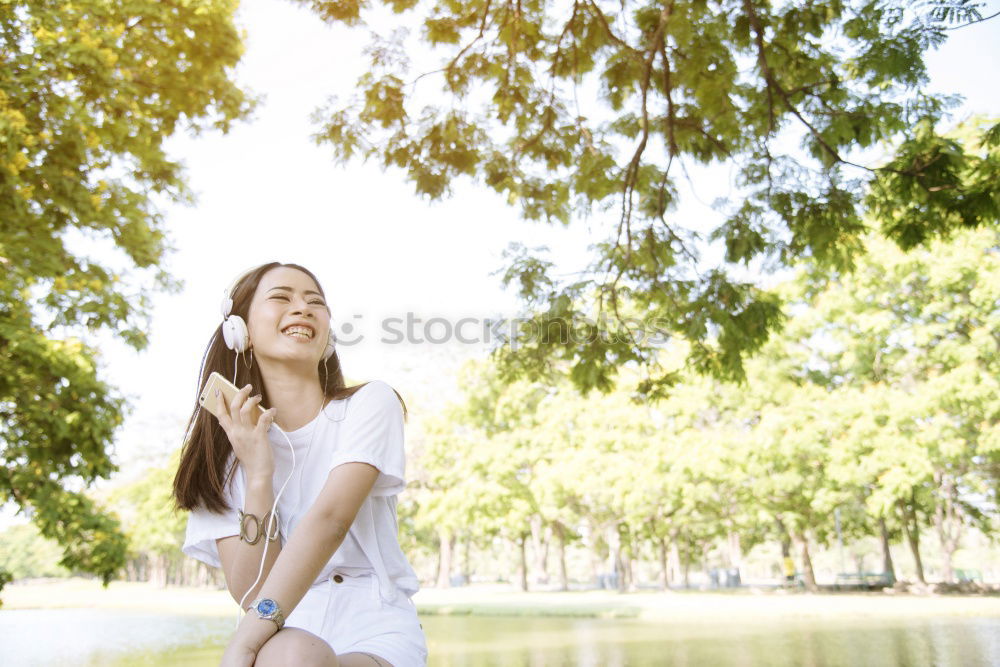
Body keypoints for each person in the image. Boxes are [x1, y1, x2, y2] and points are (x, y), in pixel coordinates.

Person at [172, 262, 427, 667]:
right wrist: (259, 475)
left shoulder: (371, 404)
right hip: (282, 632)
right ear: (241, 332)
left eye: (315, 302)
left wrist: (244, 644)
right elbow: (252, 592)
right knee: (291, 655)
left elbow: (330, 520)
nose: (303, 308)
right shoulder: (222, 456)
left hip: (373, 626)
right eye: (281, 298)